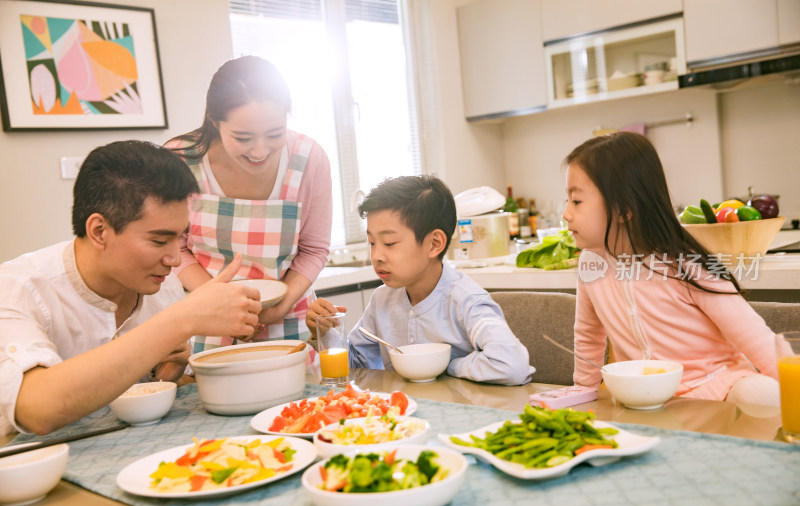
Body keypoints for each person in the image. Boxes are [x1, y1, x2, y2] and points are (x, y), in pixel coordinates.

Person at [0, 141, 263, 436]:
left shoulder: (163, 289)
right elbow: (35, 409)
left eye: (179, 238)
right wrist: (182, 319)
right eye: (159, 241)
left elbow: (160, 389)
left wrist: (166, 376)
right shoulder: (17, 288)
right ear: (99, 231)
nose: (175, 258)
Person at [563, 132, 779, 405]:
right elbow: (588, 336)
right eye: (567, 201)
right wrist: (582, 393)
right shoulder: (590, 264)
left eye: (577, 201)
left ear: (623, 209)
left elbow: (755, 338)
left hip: (716, 386)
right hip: (644, 398)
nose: (566, 213)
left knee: (763, 394)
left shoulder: (686, 263)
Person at [167, 56, 332, 353]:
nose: (260, 151)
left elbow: (314, 249)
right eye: (243, 137)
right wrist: (219, 303)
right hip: (207, 319)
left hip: (288, 318)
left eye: (274, 134)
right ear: (215, 122)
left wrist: (278, 308)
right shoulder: (179, 160)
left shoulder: (309, 159)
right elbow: (174, 246)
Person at [306, 175, 534, 386]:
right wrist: (324, 334)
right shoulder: (382, 299)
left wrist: (447, 366)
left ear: (434, 244)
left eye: (390, 243)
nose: (376, 256)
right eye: (372, 243)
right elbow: (356, 366)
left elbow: (511, 364)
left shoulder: (465, 301)